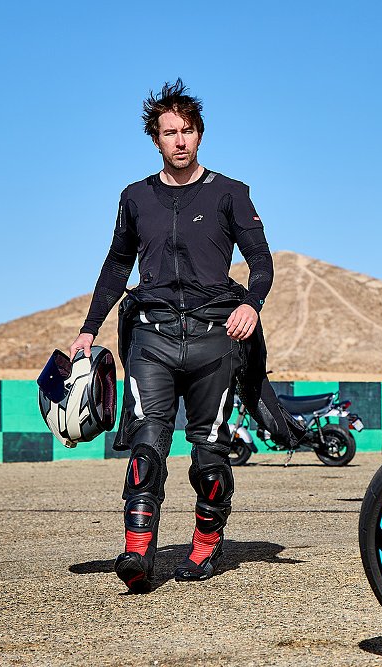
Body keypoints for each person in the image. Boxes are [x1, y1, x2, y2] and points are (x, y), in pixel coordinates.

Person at [70, 79, 305, 592]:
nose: (179, 140)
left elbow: (262, 262)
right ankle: (136, 551)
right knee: (147, 444)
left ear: (200, 135)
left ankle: (204, 543)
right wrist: (89, 328)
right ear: (155, 139)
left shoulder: (230, 193)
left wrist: (251, 304)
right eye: (168, 132)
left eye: (188, 130)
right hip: (150, 337)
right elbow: (116, 265)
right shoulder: (135, 198)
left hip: (213, 338)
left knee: (209, 454)